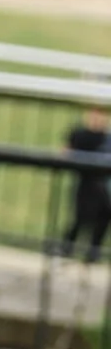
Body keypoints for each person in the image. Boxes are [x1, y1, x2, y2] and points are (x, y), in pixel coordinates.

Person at [60, 107, 110, 263]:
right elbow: (65, 153)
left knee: (103, 218)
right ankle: (67, 248)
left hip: (103, 185)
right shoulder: (80, 134)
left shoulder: (107, 138)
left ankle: (92, 253)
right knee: (81, 217)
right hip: (86, 183)